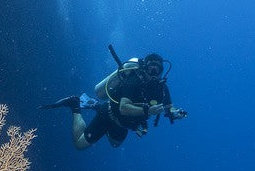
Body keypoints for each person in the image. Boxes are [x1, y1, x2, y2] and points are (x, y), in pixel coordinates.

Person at [41, 47, 187, 150]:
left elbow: (168, 108)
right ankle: (75, 105)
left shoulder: (162, 89)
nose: (154, 73)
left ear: (162, 71)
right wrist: (148, 110)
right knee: (79, 145)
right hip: (109, 115)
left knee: (115, 145)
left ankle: (95, 105)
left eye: (157, 70)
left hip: (124, 125)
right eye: (151, 69)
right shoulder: (134, 81)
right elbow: (124, 108)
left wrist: (174, 112)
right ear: (144, 68)